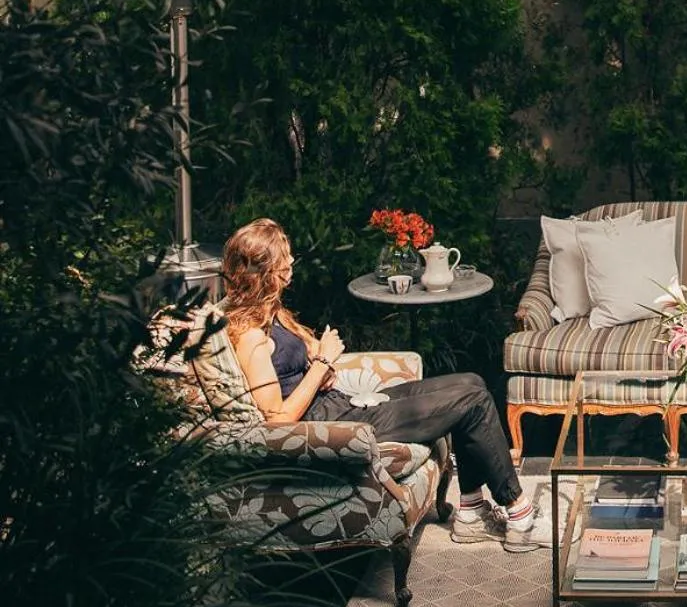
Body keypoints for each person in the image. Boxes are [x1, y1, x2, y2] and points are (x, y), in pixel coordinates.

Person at [220, 217, 546, 552]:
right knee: (472, 400)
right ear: (260, 271)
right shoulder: (250, 337)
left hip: (341, 404)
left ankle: (472, 511)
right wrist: (322, 364)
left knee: (472, 382)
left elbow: (295, 375)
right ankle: (519, 515)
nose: (290, 262)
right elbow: (278, 421)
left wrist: (319, 366)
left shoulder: (270, 313)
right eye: (282, 258)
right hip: (336, 428)